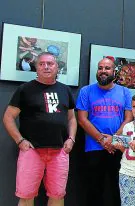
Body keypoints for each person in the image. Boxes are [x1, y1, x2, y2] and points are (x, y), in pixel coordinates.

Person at [3, 52, 76, 206]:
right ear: (36, 68)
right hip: (32, 151)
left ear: (57, 67)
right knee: (26, 195)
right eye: (42, 64)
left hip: (59, 151)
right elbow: (8, 117)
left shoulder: (65, 90)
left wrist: (71, 139)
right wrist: (20, 140)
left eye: (50, 63)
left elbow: (71, 118)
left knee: (57, 195)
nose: (46, 67)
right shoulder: (25, 89)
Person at [77, 56, 133, 206]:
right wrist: (102, 140)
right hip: (94, 147)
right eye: (100, 68)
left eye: (107, 68)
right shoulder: (86, 91)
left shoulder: (125, 92)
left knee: (120, 189)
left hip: (119, 147)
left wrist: (113, 140)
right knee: (94, 190)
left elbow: (128, 119)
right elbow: (82, 119)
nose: (103, 71)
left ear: (114, 71)